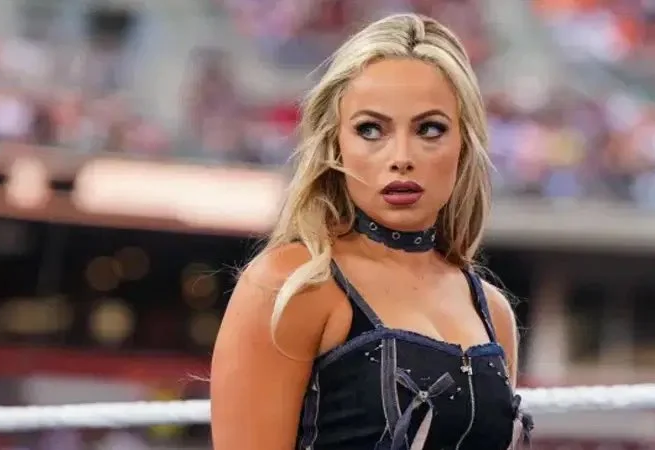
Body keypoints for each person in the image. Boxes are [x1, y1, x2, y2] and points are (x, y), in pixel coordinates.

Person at [210, 13, 533, 450]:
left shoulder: (492, 313)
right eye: (370, 130)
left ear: (464, 142)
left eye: (430, 129)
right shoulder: (291, 285)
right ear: (336, 144)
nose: (401, 156)